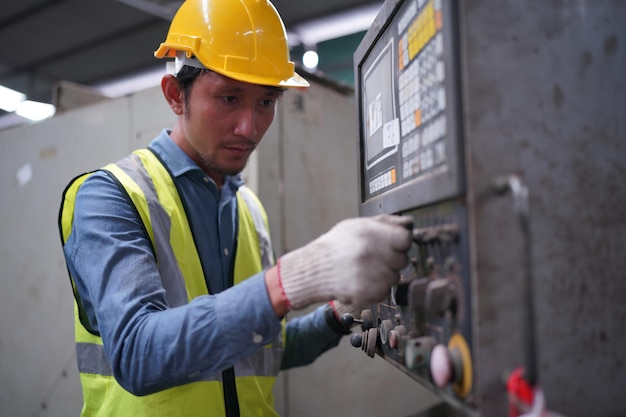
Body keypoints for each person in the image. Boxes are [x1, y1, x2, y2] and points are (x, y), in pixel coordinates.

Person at [58, 0, 413, 416]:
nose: (249, 127)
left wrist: (338, 314)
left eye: (266, 102)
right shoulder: (112, 197)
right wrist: (289, 281)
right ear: (176, 95)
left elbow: (261, 351)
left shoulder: (247, 208)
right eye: (229, 97)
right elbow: (137, 354)